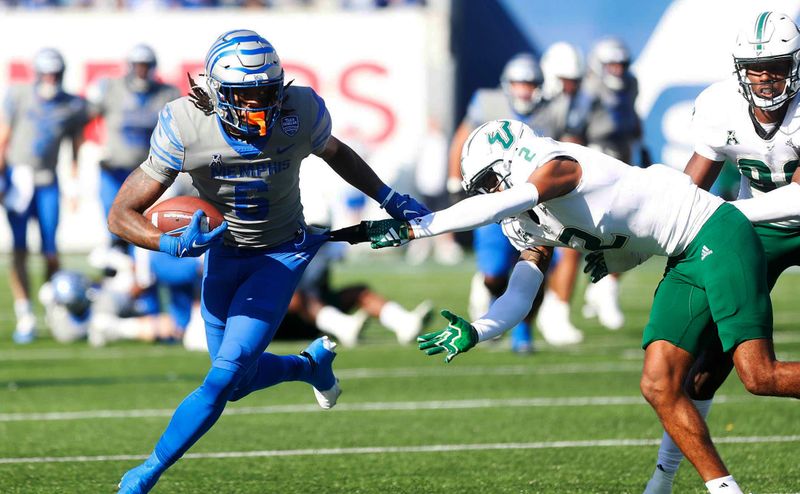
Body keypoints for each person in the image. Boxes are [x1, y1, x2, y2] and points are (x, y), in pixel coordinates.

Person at [358, 118, 800, 493]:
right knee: (659, 384)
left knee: (758, 375)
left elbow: (513, 197)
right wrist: (479, 330)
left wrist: (419, 229)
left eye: (489, 182)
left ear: (512, 161)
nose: (486, 195)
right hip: (683, 255)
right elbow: (521, 291)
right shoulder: (522, 211)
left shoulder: (556, 166)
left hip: (718, 233)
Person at [107, 30, 429, 494]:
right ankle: (308, 365)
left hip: (280, 255)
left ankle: (145, 474)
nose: (258, 106)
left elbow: (336, 152)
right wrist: (168, 243)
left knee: (221, 379)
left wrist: (390, 197)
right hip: (223, 254)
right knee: (237, 382)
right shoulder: (184, 123)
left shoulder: (301, 110)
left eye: (266, 92)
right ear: (217, 92)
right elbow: (120, 215)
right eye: (245, 95)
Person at [643, 11, 800, 494]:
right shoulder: (719, 105)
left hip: (758, 218)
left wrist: (724, 218)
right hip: (760, 228)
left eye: (774, 65)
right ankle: (663, 480)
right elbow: (691, 188)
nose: (764, 77)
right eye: (754, 67)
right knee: (700, 372)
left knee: (760, 374)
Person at [446, 53, 547, 352]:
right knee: (495, 272)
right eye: (519, 83)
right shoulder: (487, 104)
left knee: (535, 269)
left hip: (537, 202)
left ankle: (523, 333)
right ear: (507, 85)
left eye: (530, 83)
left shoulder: (555, 109)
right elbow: (461, 139)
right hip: (495, 199)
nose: (524, 90)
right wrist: (455, 181)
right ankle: (488, 296)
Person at [0, 48, 89, 344]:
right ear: (37, 73)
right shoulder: (19, 95)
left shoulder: (72, 105)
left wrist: (74, 186)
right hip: (18, 179)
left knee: (51, 251)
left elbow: (74, 148)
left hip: (48, 180)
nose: (50, 78)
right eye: (46, 72)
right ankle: (25, 313)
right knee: (20, 249)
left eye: (55, 73)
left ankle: (55, 309)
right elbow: (4, 137)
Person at [570, 36, 644, 331]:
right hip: (594, 163)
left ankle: (604, 288)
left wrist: (641, 151)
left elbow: (632, 122)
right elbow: (574, 129)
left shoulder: (631, 84)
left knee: (629, 228)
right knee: (588, 234)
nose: (617, 69)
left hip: (622, 159)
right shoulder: (589, 89)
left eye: (621, 64)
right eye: (611, 64)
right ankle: (583, 294)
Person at [87, 44, 181, 241]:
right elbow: (83, 117)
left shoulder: (167, 93)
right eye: (138, 65)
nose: (142, 70)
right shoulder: (111, 88)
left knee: (143, 225)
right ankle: (116, 265)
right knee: (114, 223)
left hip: (147, 172)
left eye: (146, 65)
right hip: (114, 168)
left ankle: (138, 268)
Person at [533, 41, 589, 345]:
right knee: (526, 255)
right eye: (567, 80)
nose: (572, 86)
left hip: (558, 184)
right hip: (528, 186)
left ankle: (556, 312)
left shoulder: (577, 105)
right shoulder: (534, 103)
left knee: (571, 246)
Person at [283, 241, 433, 347]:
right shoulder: (277, 245)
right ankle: (342, 326)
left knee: (359, 291)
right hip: (281, 322)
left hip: (316, 311)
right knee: (293, 296)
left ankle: (404, 323)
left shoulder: (325, 243)